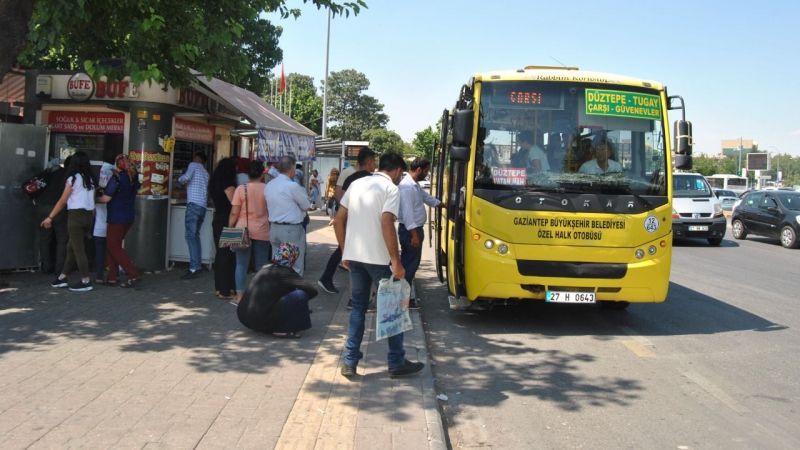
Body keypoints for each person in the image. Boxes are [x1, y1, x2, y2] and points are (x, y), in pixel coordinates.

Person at [334, 152, 425, 379]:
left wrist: (345, 250)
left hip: (355, 257)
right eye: (400, 173)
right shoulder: (390, 189)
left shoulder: (357, 184)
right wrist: (396, 261)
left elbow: (338, 220)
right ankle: (396, 361)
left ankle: (350, 361)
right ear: (395, 170)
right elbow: (387, 223)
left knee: (358, 309)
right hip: (379, 260)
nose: (399, 178)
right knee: (393, 309)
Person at [317, 148, 377, 294]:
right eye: (374, 161)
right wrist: (345, 215)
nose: (375, 164)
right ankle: (327, 278)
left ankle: (329, 278)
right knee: (343, 248)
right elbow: (339, 194)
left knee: (344, 248)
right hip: (348, 217)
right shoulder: (348, 173)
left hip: (356, 219)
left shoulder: (369, 175)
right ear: (368, 161)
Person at [236, 243, 318, 338]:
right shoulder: (285, 272)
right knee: (300, 295)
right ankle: (281, 329)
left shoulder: (265, 268)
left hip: (244, 317)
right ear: (292, 258)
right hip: (259, 320)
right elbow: (312, 290)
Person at [41, 151, 96, 292]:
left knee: (78, 250)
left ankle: (86, 281)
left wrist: (50, 217)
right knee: (71, 247)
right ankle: (62, 277)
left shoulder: (73, 179)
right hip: (88, 216)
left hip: (75, 217)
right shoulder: (90, 179)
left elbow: (63, 200)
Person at [398, 158, 441, 309]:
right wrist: (414, 235)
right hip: (411, 231)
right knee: (409, 267)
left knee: (410, 265)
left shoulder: (413, 185)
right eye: (426, 171)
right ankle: (403, 301)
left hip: (414, 230)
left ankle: (404, 298)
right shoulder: (407, 187)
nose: (427, 173)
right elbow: (408, 214)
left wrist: (440, 204)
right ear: (419, 170)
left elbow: (426, 197)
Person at [97, 154, 141, 287]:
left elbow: (106, 199)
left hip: (117, 217)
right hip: (128, 217)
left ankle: (133, 274)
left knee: (113, 246)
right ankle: (112, 277)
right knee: (113, 245)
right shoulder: (133, 178)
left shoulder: (116, 178)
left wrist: (94, 198)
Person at [230, 160, 270, 304]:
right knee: (261, 266)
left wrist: (230, 226)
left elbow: (234, 213)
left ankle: (239, 296)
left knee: (241, 264)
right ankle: (258, 297)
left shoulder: (241, 189)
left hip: (242, 230)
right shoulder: (268, 189)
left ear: (248, 174)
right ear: (262, 173)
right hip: (263, 230)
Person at [265, 155, 311, 276]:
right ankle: (293, 292)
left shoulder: (269, 185)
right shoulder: (292, 186)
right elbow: (306, 205)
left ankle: (279, 292)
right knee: (295, 266)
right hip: (291, 230)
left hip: (274, 228)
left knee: (278, 265)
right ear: (292, 169)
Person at [35, 156, 70, 275]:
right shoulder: (66, 175)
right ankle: (59, 269)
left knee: (44, 239)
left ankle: (46, 267)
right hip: (58, 209)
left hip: (42, 207)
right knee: (62, 239)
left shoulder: (44, 174)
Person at [178, 151, 210, 279]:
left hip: (193, 205)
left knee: (190, 236)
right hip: (202, 206)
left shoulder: (193, 165)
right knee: (195, 236)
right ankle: (197, 265)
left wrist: (178, 179)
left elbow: (185, 178)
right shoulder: (206, 173)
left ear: (197, 158)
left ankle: (193, 268)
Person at [210, 157, 237, 299]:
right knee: (228, 255)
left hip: (218, 219)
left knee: (220, 254)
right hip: (228, 222)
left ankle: (219, 288)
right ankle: (227, 289)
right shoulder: (228, 184)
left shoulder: (215, 183)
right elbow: (234, 203)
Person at [93, 160, 115, 283]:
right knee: (113, 252)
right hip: (112, 225)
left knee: (100, 252)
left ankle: (99, 276)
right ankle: (112, 275)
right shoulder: (115, 189)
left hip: (99, 228)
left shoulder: (97, 191)